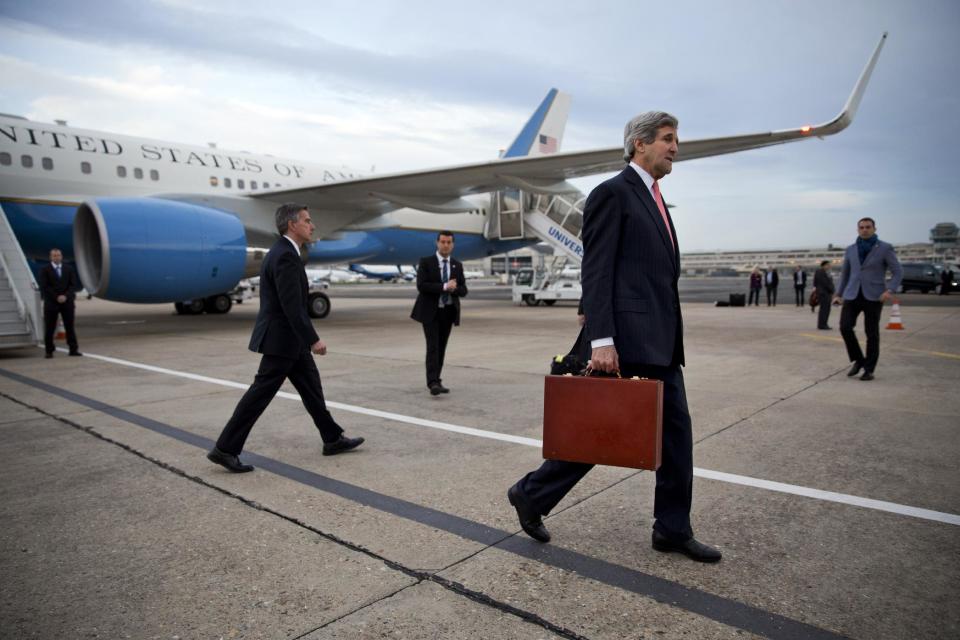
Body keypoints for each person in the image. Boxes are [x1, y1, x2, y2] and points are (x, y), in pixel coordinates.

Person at [507, 111, 721, 563]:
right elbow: (597, 268)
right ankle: (531, 493)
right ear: (639, 144)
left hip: (660, 340)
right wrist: (601, 339)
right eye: (667, 139)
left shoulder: (656, 198)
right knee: (598, 432)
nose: (675, 147)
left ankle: (671, 528)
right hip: (625, 340)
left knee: (674, 438)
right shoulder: (612, 194)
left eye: (676, 139)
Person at [208, 204, 364, 473]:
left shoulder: (284, 252)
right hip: (281, 341)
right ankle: (225, 448)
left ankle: (332, 438)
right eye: (307, 220)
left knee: (312, 390)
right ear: (292, 224)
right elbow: (292, 305)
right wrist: (313, 339)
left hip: (290, 342)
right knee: (259, 395)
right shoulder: (285, 256)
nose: (312, 225)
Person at [833, 217, 902, 381]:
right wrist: (838, 294)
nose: (864, 230)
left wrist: (889, 290)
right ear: (858, 230)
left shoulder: (885, 248)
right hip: (852, 294)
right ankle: (859, 360)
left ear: (874, 229)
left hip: (874, 296)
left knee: (872, 333)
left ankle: (869, 369)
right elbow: (845, 274)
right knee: (845, 327)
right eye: (861, 227)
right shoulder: (850, 249)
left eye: (868, 227)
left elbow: (898, 271)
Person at [410, 231, 468, 395]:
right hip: (430, 312)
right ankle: (432, 382)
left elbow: (464, 290)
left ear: (453, 244)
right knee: (433, 346)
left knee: (441, 347)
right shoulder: (426, 262)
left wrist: (454, 288)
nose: (446, 245)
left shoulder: (457, 265)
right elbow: (421, 286)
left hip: (448, 312)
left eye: (449, 242)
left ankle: (437, 379)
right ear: (437, 243)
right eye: (443, 242)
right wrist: (444, 287)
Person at [38, 248, 81, 358]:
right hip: (51, 303)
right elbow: (44, 286)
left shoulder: (69, 268)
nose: (56, 257)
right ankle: (49, 350)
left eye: (58, 255)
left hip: (67, 303)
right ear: (50, 257)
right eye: (54, 256)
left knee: (69, 326)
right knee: (50, 327)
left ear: (61, 256)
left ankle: (73, 349)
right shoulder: (45, 269)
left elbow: (73, 285)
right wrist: (57, 297)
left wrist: (65, 296)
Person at [813, 260, 835, 330]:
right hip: (824, 293)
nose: (829, 266)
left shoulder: (825, 272)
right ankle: (822, 325)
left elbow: (815, 283)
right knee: (824, 309)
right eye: (828, 265)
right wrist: (832, 290)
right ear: (824, 265)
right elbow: (825, 283)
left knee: (825, 309)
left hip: (824, 292)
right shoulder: (821, 272)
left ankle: (823, 324)